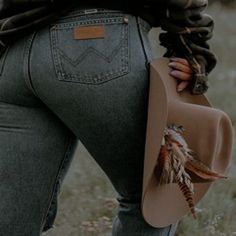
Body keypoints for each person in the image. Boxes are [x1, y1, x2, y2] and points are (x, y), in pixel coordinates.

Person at [0, 0, 216, 235]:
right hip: (98, 43)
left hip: (14, 57)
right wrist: (192, 49)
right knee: (155, 196)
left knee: (12, 220)